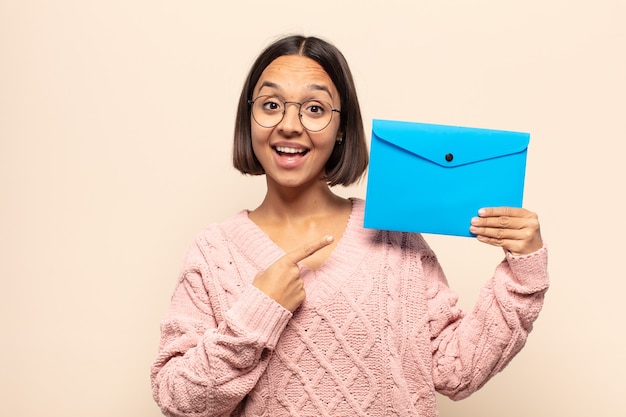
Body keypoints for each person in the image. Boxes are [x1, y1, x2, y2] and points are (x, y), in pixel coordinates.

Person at [150, 34, 549, 417]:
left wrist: (524, 271)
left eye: (315, 108)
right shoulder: (214, 251)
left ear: (341, 129)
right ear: (249, 118)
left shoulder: (394, 235)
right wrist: (258, 311)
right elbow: (178, 399)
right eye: (271, 105)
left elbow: (456, 370)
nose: (289, 124)